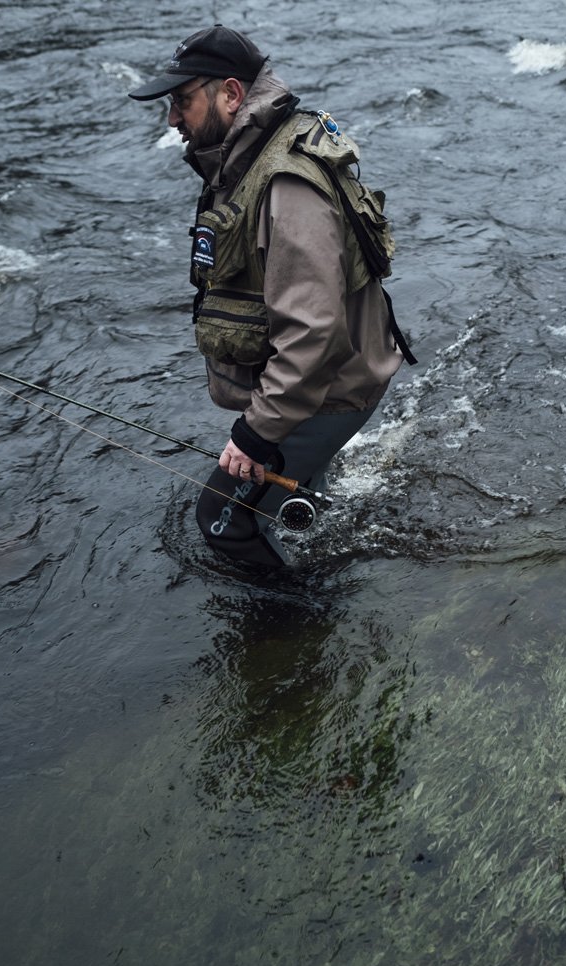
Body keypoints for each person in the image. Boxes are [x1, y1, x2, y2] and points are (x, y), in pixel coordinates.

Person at [129, 24, 416, 568]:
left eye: (181, 101)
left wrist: (254, 436)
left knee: (224, 523)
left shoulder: (285, 184)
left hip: (329, 389)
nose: (172, 119)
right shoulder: (249, 156)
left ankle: (291, 632)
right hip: (321, 384)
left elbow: (314, 334)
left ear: (232, 94)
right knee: (302, 509)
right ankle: (329, 570)